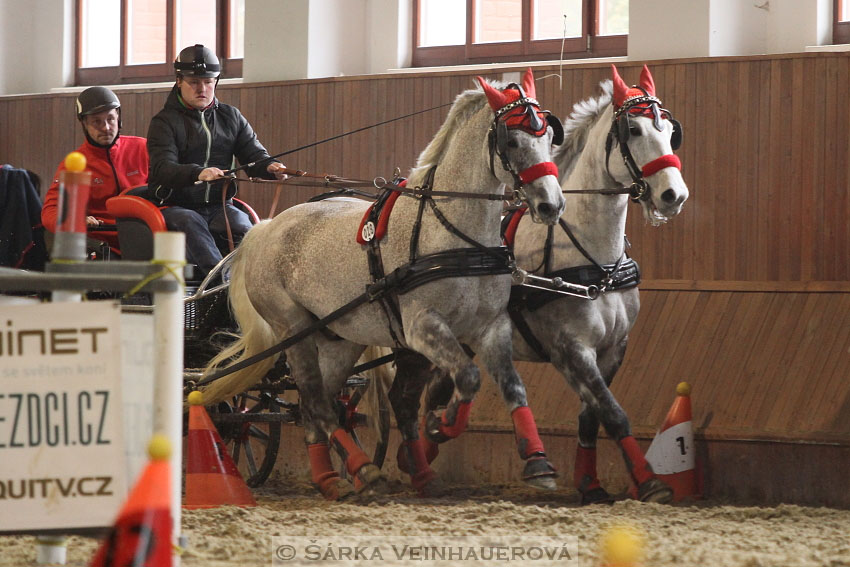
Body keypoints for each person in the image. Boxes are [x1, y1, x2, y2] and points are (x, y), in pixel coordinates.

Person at [146, 44, 287, 277]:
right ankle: (221, 288)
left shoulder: (231, 116)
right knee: (192, 223)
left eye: (208, 81)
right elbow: (163, 168)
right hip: (176, 207)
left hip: (220, 206)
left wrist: (271, 167)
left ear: (216, 81)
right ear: (179, 81)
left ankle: (259, 284)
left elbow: (254, 155)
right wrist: (198, 173)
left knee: (245, 229)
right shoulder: (164, 122)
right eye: (194, 82)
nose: (202, 88)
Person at [41, 86, 149, 250]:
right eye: (97, 122)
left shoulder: (143, 148)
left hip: (145, 237)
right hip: (101, 243)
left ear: (119, 118)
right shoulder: (74, 164)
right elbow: (51, 210)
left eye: (110, 119)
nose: (106, 127)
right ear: (84, 123)